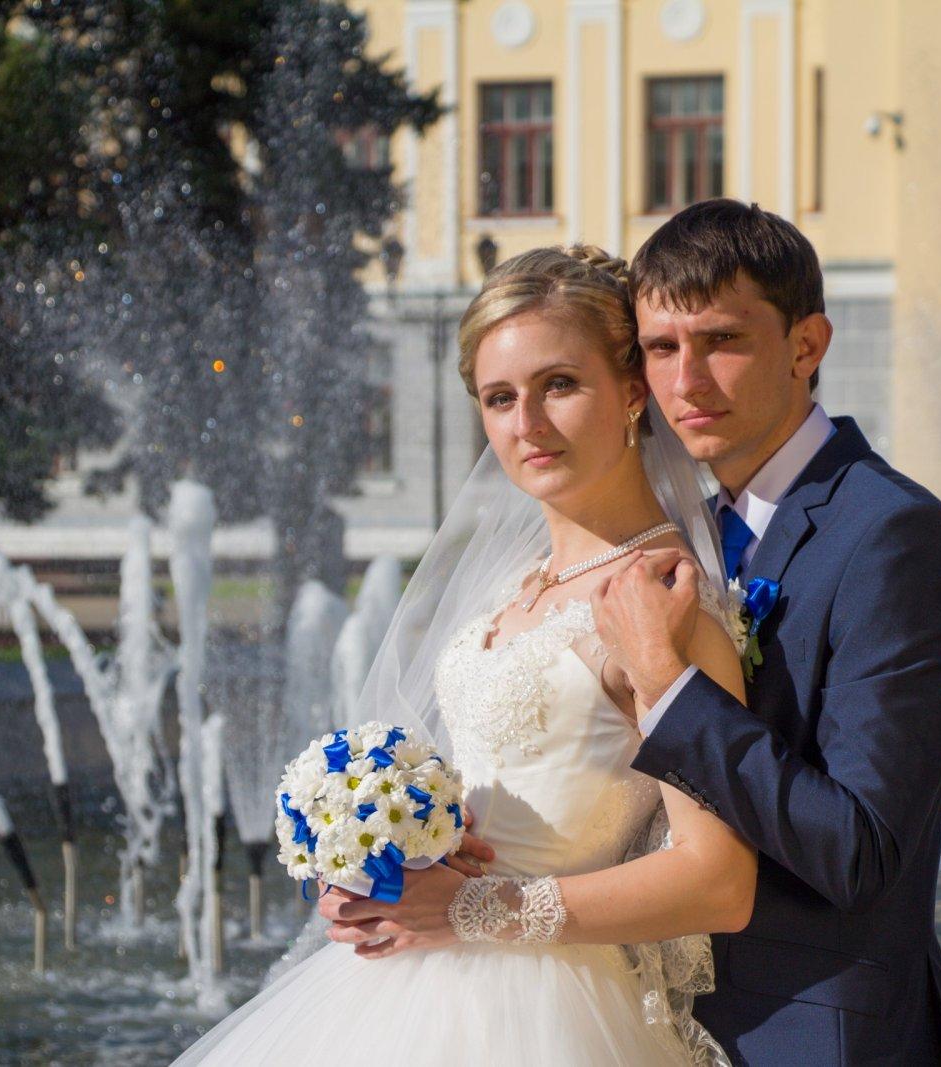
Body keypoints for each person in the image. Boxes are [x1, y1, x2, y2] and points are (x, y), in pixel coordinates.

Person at [174, 246, 752, 1066]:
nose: (527, 424)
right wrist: (381, 868)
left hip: (549, 1011)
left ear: (632, 391)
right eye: (500, 397)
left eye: (560, 384)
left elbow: (718, 881)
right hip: (400, 988)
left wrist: (472, 909)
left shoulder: (664, 601)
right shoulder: (517, 584)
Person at [592, 200, 941, 1064]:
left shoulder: (893, 536)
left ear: (806, 346)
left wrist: (668, 683)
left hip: (811, 1035)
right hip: (650, 1022)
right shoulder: (680, 535)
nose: (687, 380)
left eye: (722, 340)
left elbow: (858, 849)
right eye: (662, 348)